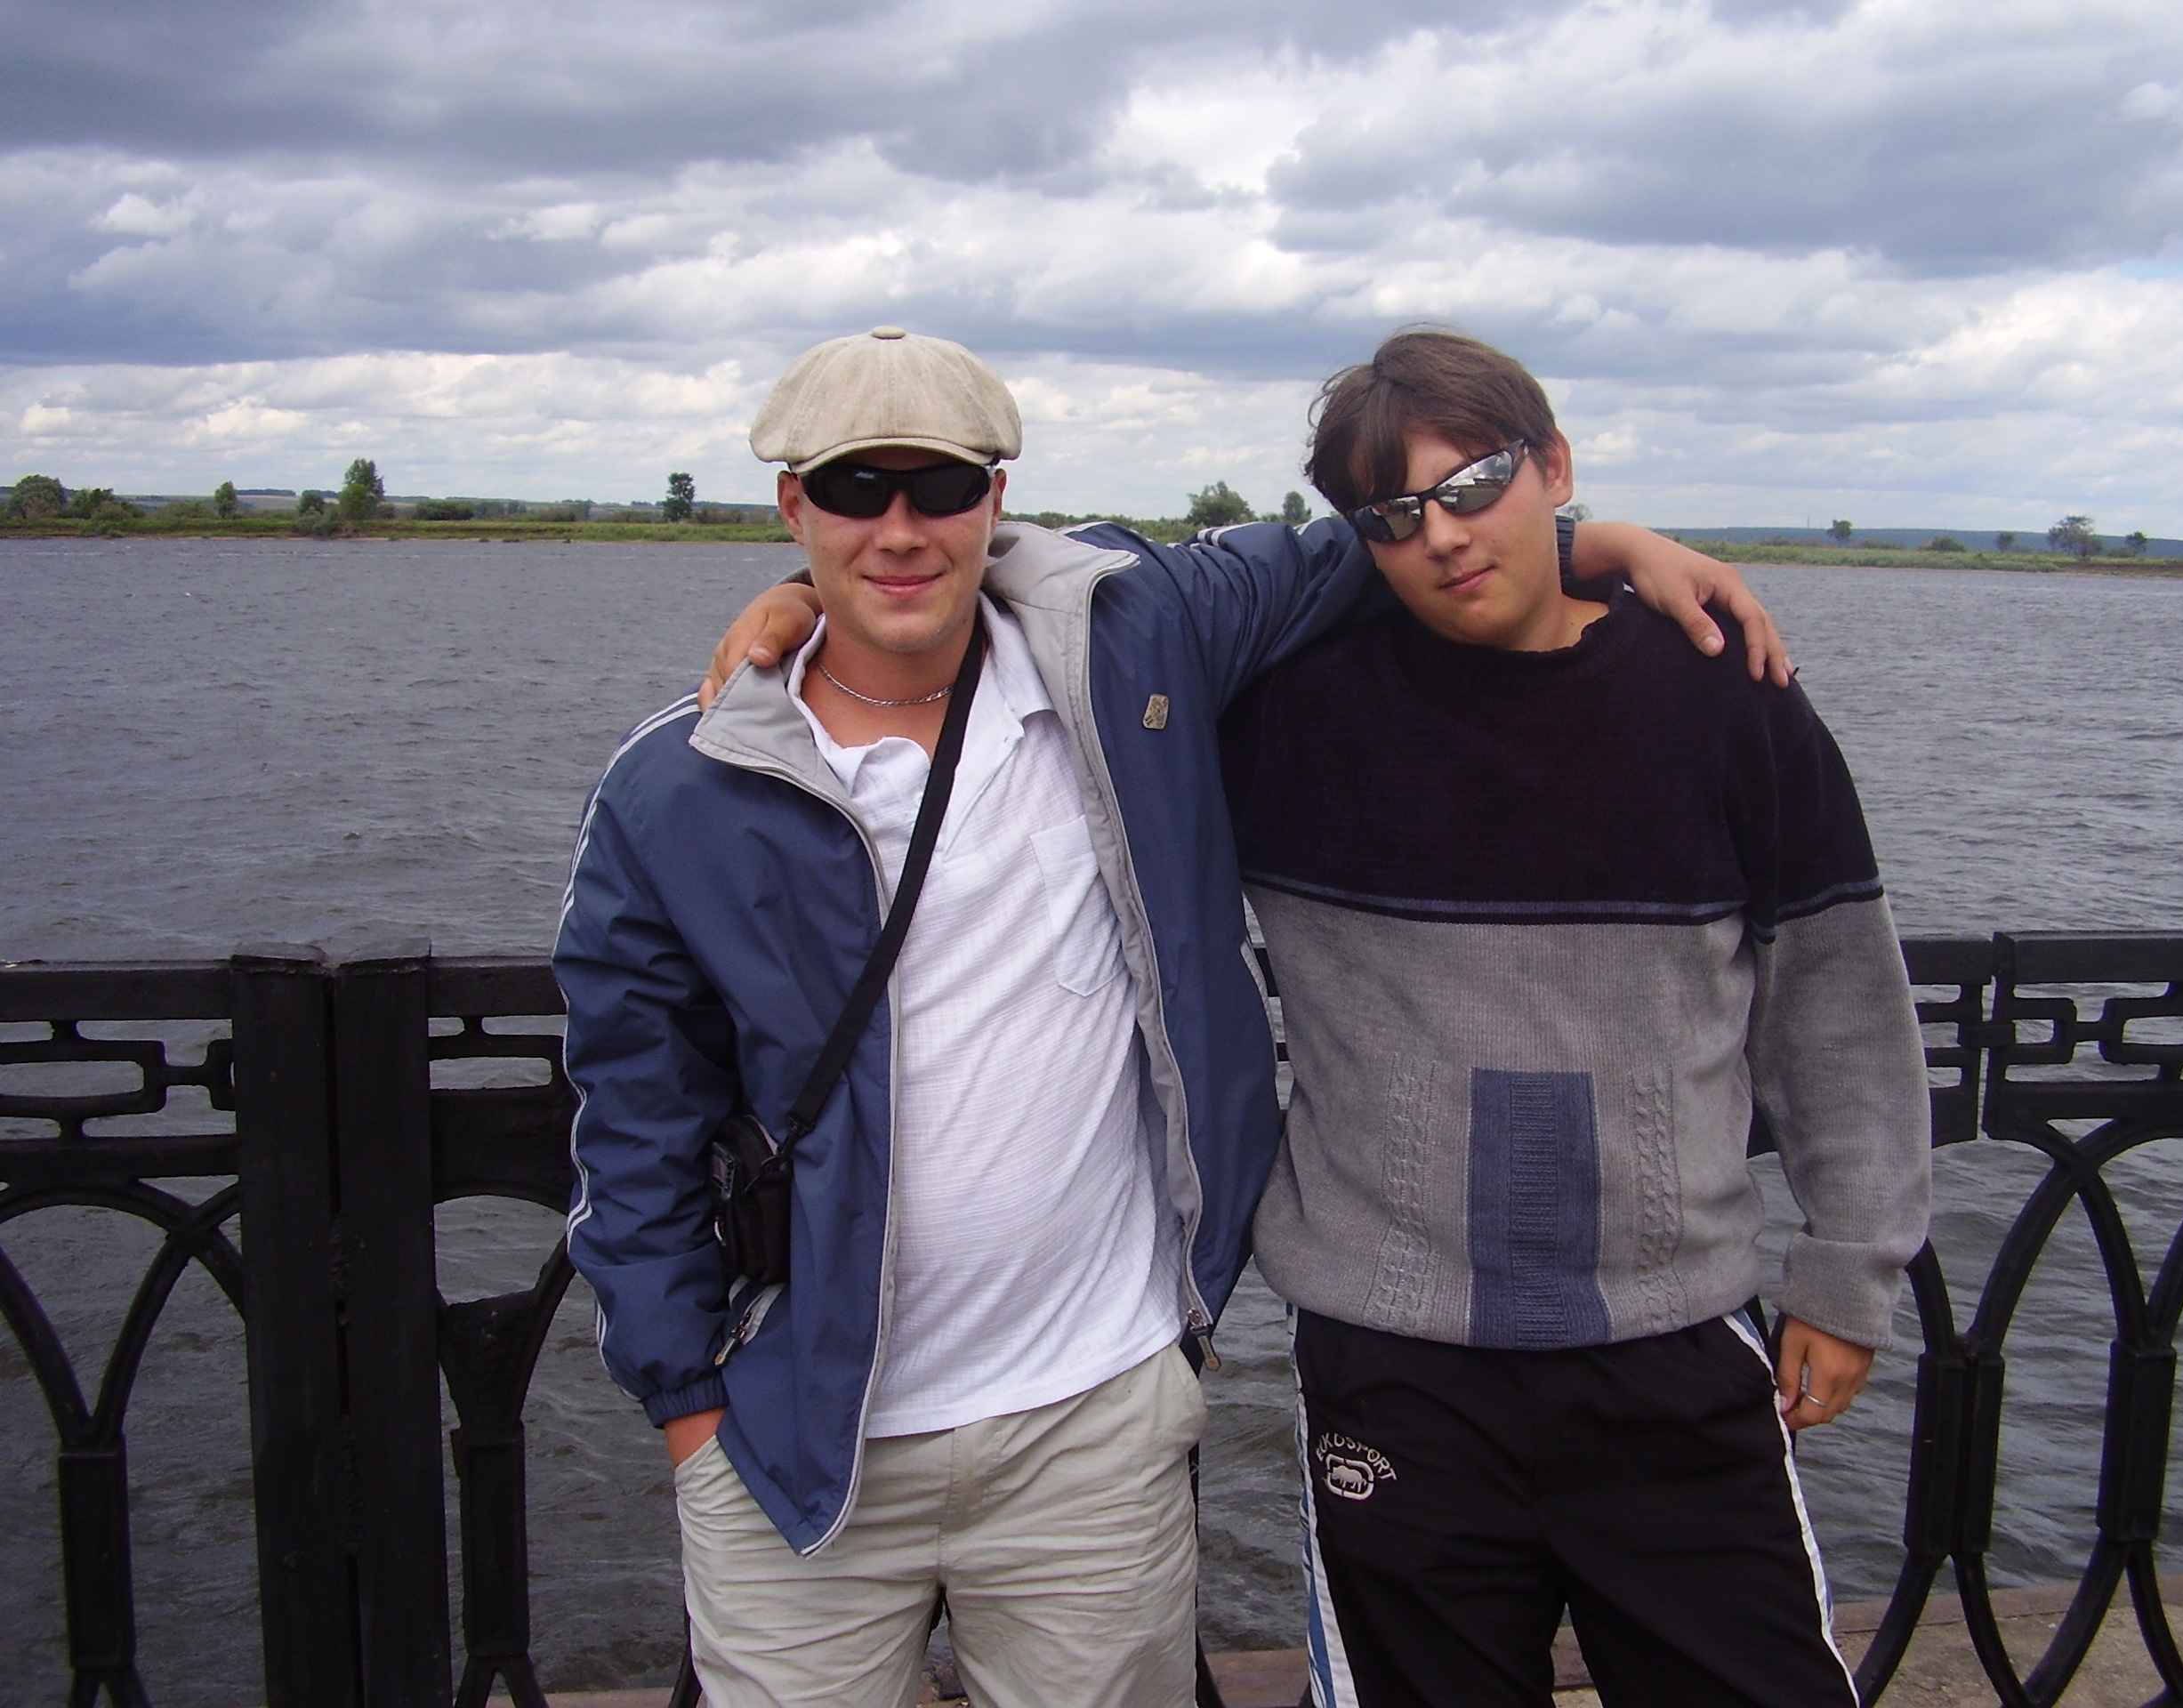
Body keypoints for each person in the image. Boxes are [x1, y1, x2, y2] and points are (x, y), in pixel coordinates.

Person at [561, 325, 1785, 1708]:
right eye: (853, 490)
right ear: (794, 504)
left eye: (939, 487)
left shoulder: (1134, 640)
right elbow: (631, 1121)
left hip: (1095, 1424)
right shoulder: (681, 785)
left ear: (995, 496)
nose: (899, 527)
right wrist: (688, 1409)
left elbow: (1391, 543)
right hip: (795, 1440)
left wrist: (1600, 543)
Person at [1215, 329, 1932, 1708]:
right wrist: (803, 616)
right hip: (1394, 1363)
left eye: (1474, 485)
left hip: (1672, 1347)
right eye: (1393, 516)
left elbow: (1836, 1001)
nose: (1442, 536)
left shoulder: (1724, 694)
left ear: (1553, 464)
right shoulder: (1284, 710)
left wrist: (1850, 1270)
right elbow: (1075, 616)